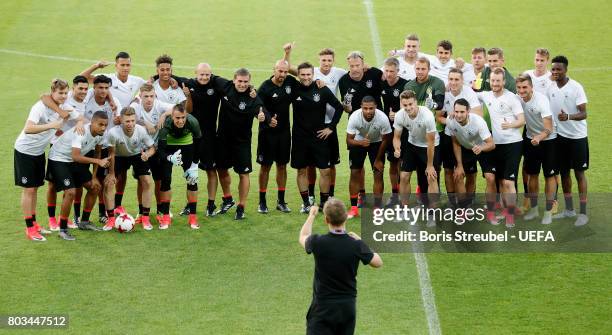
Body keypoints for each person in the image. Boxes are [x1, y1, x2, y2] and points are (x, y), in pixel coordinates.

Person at [299, 199, 382, 335]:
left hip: (322, 307)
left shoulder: (318, 242)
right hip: (347, 308)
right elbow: (378, 262)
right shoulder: (356, 245)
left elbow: (303, 236)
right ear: (346, 218)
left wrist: (312, 215)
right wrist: (361, 241)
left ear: (326, 220)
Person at [14, 79, 73, 241]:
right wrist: (51, 126)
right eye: (60, 93)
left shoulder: (63, 106)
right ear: (52, 92)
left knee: (36, 188)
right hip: (25, 151)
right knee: (29, 189)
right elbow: (28, 128)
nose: (63, 96)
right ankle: (29, 228)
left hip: (39, 153)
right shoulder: (39, 107)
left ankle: (34, 224)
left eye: (65, 93)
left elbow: (76, 115)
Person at [213, 68, 269, 220]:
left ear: (249, 82)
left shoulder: (252, 97)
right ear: (234, 80)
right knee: (221, 169)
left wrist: (263, 116)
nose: (242, 84)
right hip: (223, 139)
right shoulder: (225, 86)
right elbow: (205, 77)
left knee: (243, 174)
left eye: (246, 82)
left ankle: (241, 206)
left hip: (242, 143)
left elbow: (262, 111)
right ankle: (228, 198)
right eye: (240, 81)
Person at [46, 111, 110, 240]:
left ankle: (84, 222)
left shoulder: (101, 134)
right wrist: (98, 162)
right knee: (70, 192)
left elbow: (97, 153)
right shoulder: (80, 132)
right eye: (100, 124)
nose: (103, 127)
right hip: (59, 159)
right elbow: (76, 156)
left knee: (95, 187)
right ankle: (63, 229)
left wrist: (94, 177)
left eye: (105, 125)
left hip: (74, 161)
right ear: (92, 123)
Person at [291, 62, 343, 212]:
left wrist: (331, 128)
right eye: (303, 75)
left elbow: (338, 107)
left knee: (325, 171)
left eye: (309, 74)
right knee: (301, 170)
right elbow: (283, 70)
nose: (306, 77)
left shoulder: (322, 89)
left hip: (319, 137)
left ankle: (324, 202)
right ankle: (306, 203)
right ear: (298, 75)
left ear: (313, 75)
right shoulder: (294, 88)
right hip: (300, 138)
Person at [476, 68, 525, 227]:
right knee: (496, 181)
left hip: (513, 144)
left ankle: (509, 216)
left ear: (504, 82)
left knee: (508, 182)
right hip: (495, 145)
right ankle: (495, 212)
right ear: (489, 81)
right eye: (493, 80)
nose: (495, 83)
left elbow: (522, 120)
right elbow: (470, 94)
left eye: (498, 81)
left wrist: (510, 124)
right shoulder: (486, 95)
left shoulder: (512, 98)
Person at [548, 55, 589, 226]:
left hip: (577, 138)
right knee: (563, 173)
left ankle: (583, 213)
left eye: (559, 69)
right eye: (554, 69)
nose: (555, 72)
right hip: (560, 138)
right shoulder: (551, 87)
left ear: (566, 70)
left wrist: (569, 116)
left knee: (579, 173)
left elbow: (584, 113)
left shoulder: (576, 87)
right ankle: (569, 210)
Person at [339, 51, 384, 207]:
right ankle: (361, 196)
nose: (355, 69)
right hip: (357, 130)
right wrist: (347, 106)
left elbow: (388, 79)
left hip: (378, 130)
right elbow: (346, 107)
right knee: (356, 168)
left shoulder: (375, 73)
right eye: (352, 66)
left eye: (358, 65)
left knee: (378, 169)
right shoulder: (344, 80)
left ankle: (378, 204)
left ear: (363, 64)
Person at [102, 107, 156, 231]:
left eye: (132, 120)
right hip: (118, 156)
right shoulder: (113, 133)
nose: (130, 124)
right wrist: (111, 174)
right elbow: (111, 154)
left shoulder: (141, 130)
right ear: (121, 120)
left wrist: (147, 154)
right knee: (109, 183)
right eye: (127, 121)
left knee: (148, 182)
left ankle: (145, 218)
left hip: (137, 155)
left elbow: (152, 147)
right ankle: (110, 220)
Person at [393, 90, 440, 226]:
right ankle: (404, 208)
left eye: (410, 104)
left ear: (416, 102)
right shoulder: (400, 115)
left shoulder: (427, 115)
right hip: (412, 145)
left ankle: (432, 214)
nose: (408, 108)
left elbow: (430, 142)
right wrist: (397, 148)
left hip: (430, 146)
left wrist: (430, 165)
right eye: (405, 105)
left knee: (431, 177)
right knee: (404, 176)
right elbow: (396, 137)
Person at [256, 60, 298, 213]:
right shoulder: (265, 87)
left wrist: (318, 81)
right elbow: (257, 105)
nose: (283, 75)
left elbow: (305, 79)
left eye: (285, 72)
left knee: (282, 165)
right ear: (274, 70)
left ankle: (281, 201)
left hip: (284, 133)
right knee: (265, 166)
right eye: (280, 71)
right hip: (267, 133)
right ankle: (262, 202)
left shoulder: (290, 83)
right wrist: (268, 119)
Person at [181, 63, 222, 217]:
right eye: (201, 74)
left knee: (211, 170)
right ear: (195, 74)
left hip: (210, 137)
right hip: (191, 137)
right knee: (191, 172)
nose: (204, 77)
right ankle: (190, 205)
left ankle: (211, 204)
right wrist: (187, 96)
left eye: (207, 74)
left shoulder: (215, 85)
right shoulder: (189, 85)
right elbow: (188, 110)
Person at [516, 74, 557, 225]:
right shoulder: (517, 98)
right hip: (530, 139)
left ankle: (548, 211)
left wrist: (539, 138)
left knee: (549, 176)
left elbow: (549, 128)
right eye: (519, 87)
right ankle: (533, 209)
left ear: (531, 87)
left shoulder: (541, 101)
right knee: (532, 174)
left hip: (548, 140)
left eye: (525, 87)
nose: (522, 91)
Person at [131, 84, 174, 221]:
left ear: (155, 95)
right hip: (141, 150)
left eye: (151, 96)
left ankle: (161, 210)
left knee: (158, 181)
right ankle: (141, 211)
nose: (149, 99)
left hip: (157, 149)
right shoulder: (136, 107)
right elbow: (125, 116)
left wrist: (164, 115)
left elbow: (178, 108)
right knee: (142, 181)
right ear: (141, 97)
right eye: (146, 97)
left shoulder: (159, 105)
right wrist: (144, 123)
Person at [156, 104, 202, 229]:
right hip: (169, 147)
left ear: (186, 116)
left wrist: (194, 163)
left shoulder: (193, 122)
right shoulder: (166, 124)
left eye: (183, 117)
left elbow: (199, 143)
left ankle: (193, 217)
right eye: (177, 118)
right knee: (165, 180)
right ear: (172, 116)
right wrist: (169, 157)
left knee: (192, 181)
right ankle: (165, 217)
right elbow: (160, 149)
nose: (180, 121)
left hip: (187, 146)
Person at [346, 96, 392, 218]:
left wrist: (378, 160)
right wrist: (361, 143)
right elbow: (349, 140)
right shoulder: (354, 117)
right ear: (361, 107)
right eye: (365, 108)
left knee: (378, 173)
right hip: (358, 141)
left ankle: (377, 207)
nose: (368, 111)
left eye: (371, 108)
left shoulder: (382, 118)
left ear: (375, 107)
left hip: (377, 143)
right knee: (354, 172)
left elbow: (385, 140)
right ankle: (354, 208)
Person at [442, 68, 482, 203]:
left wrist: (460, 118)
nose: (453, 82)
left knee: (470, 173)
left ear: (462, 80)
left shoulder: (468, 93)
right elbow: (438, 117)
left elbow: (479, 114)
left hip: (467, 138)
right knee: (448, 171)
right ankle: (453, 202)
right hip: (449, 136)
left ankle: (468, 202)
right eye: (451, 79)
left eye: (456, 79)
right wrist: (450, 121)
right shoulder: (444, 93)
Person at [447, 99, 495, 209]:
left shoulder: (478, 122)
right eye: (456, 111)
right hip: (466, 148)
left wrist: (481, 148)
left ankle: (491, 210)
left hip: (483, 148)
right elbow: (455, 142)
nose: (458, 115)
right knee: (459, 175)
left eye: (462, 112)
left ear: (468, 111)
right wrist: (459, 165)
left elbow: (491, 144)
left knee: (490, 178)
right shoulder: (451, 121)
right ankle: (464, 207)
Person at [380, 57, 408, 205]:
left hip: (403, 129)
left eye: (392, 71)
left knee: (403, 163)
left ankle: (404, 196)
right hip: (387, 130)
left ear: (398, 71)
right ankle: (395, 194)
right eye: (386, 71)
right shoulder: (382, 83)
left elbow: (410, 105)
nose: (389, 74)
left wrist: (398, 114)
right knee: (392, 163)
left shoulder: (405, 85)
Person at [80, 51, 146, 107]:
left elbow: (151, 85)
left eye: (128, 65)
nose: (125, 68)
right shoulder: (106, 79)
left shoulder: (137, 80)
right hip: (107, 116)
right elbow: (80, 79)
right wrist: (96, 66)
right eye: (122, 65)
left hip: (126, 118)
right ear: (116, 65)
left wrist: (137, 97)